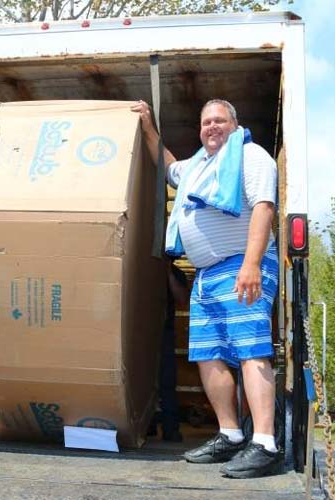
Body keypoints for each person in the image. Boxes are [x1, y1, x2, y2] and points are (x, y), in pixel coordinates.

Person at [131, 98, 281, 478]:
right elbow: (166, 164)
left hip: (241, 264)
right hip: (207, 275)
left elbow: (264, 208)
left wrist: (250, 264)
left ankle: (264, 443)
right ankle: (230, 434)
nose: (211, 127)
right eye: (205, 122)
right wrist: (148, 127)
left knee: (251, 350)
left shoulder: (251, 157)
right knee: (207, 354)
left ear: (235, 123)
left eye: (218, 120)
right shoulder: (198, 167)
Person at [158, 259, 189, 442]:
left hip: (165, 331)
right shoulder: (139, 268)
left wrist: (168, 273)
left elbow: (182, 299)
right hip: (139, 332)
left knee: (167, 381)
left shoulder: (177, 273)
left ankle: (171, 429)